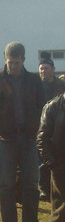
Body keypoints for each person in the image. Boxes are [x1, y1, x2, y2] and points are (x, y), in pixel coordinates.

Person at [0, 42, 47, 222]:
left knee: (31, 185)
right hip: (5, 139)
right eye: (9, 62)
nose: (13, 66)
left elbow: (43, 107)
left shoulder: (34, 81)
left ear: (23, 60)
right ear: (5, 60)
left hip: (29, 140)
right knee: (6, 186)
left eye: (16, 63)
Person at [36, 91, 65, 222]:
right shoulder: (53, 107)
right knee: (60, 207)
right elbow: (42, 137)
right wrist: (52, 164)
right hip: (61, 164)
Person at [38, 56, 65, 201]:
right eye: (41, 68)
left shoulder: (61, 85)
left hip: (57, 128)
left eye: (46, 69)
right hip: (40, 125)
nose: (43, 71)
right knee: (42, 161)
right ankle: (44, 188)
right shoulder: (35, 85)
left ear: (52, 70)